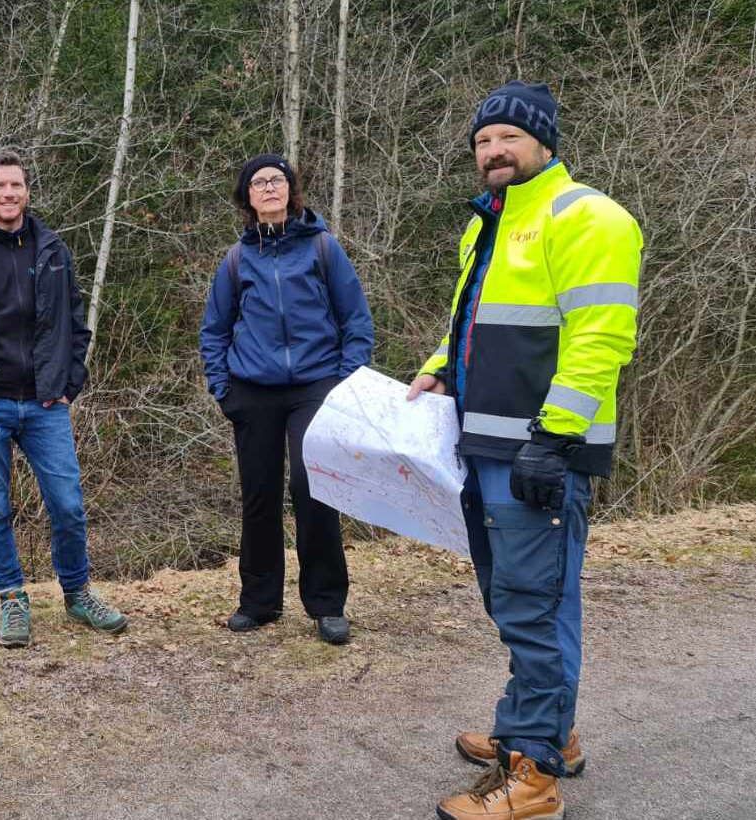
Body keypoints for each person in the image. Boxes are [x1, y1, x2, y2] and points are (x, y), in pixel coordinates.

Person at [406, 82, 641, 820]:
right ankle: (546, 727)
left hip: (539, 452)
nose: (493, 150)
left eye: (508, 136)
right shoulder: (489, 222)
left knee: (533, 606)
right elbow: (476, 320)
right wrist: (440, 365)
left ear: (544, 143)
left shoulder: (587, 216)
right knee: (518, 598)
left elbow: (602, 339)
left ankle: (533, 775)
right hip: (485, 445)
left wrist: (553, 437)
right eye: (482, 140)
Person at [0, 150, 128, 648]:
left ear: (27, 191)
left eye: (16, 185)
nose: (8, 193)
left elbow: (76, 325)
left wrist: (69, 384)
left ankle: (77, 594)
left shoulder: (53, 250)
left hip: (44, 404)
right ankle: (12, 600)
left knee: (68, 505)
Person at [199, 153, 373, 645]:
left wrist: (344, 384)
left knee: (313, 488)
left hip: (316, 386)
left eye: (277, 180)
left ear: (291, 191)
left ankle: (327, 604)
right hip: (252, 390)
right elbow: (214, 330)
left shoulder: (322, 247)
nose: (269, 188)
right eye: (259, 183)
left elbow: (356, 321)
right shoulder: (236, 259)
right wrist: (222, 387)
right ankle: (259, 602)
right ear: (248, 198)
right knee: (260, 494)